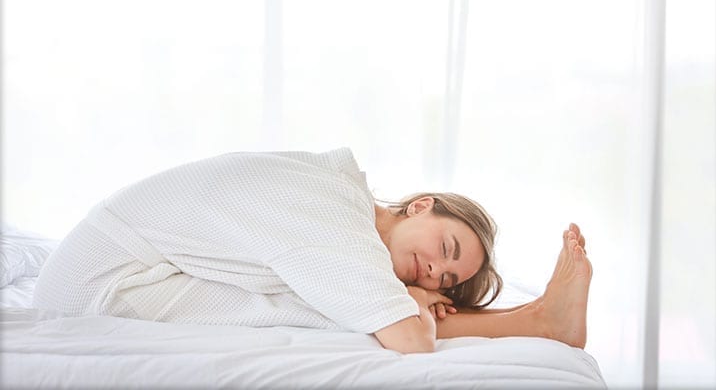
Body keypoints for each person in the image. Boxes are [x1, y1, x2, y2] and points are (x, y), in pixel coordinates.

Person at [33, 147, 592, 354]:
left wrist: (413, 296)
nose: (435, 270)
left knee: (338, 299)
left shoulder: (337, 198)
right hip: (99, 285)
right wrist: (415, 305)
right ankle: (542, 322)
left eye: (446, 280)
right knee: (339, 313)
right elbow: (410, 342)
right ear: (420, 205)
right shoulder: (332, 214)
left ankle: (537, 316)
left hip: (129, 264)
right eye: (446, 249)